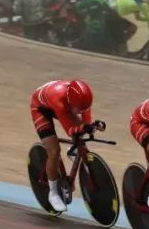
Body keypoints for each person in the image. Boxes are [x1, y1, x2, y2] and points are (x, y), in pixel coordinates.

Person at [30, 80, 105, 213]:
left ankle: (73, 149)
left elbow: (85, 121)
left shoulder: (83, 99)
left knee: (81, 130)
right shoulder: (59, 100)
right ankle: (53, 193)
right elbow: (70, 130)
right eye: (78, 109)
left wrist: (90, 127)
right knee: (54, 151)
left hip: (58, 103)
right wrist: (82, 128)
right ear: (70, 102)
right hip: (40, 108)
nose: (81, 111)